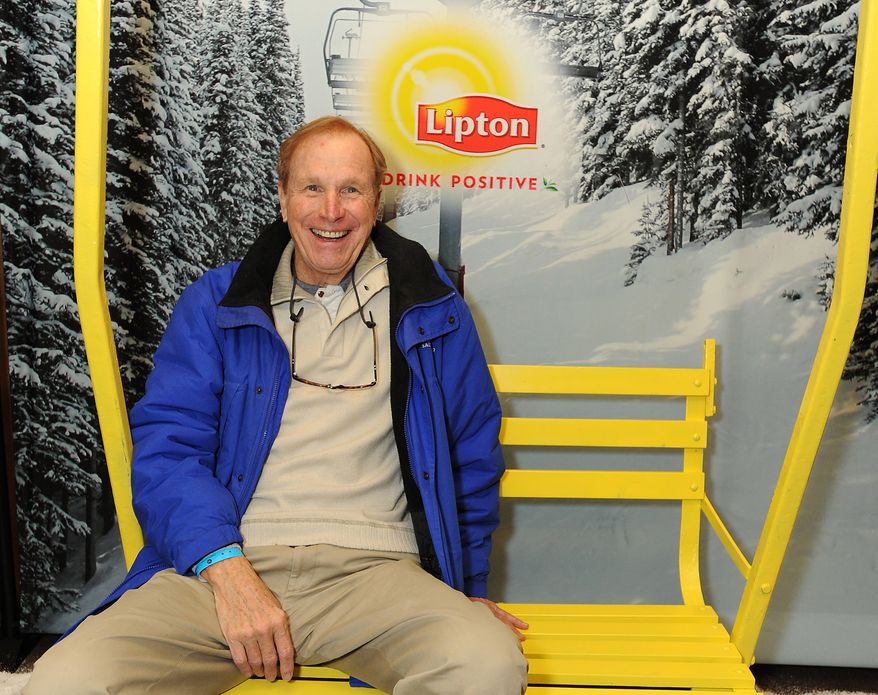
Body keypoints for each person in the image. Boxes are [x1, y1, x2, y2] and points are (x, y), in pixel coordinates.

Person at [26, 116, 528, 694]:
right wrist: (225, 569)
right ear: (284, 197)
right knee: (67, 681)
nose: (331, 211)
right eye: (312, 187)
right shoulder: (217, 304)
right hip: (225, 567)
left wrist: (464, 591)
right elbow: (169, 450)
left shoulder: (432, 308)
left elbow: (469, 456)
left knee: (486, 667)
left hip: (379, 576)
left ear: (377, 201)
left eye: (351, 189)